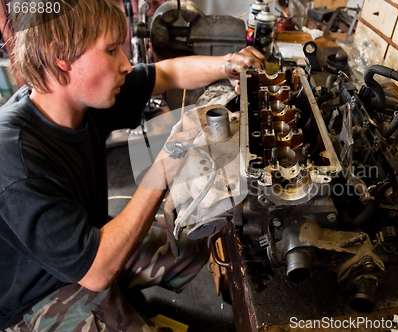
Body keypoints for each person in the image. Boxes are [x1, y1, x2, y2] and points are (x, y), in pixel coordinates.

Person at [0, 0, 265, 330]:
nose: (126, 64)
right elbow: (96, 270)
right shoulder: (14, 159)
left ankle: (120, 296)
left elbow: (168, 73)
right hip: (39, 297)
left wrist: (229, 64)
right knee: (104, 274)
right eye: (111, 50)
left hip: (88, 247)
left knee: (192, 239)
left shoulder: (80, 99)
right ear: (61, 57)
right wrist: (169, 159)